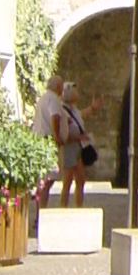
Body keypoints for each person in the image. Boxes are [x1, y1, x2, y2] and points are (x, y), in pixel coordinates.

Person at [56, 82, 95, 207]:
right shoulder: (62, 110)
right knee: (67, 181)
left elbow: (80, 116)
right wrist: (81, 137)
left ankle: (78, 205)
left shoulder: (73, 109)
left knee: (80, 179)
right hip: (69, 149)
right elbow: (64, 134)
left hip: (78, 149)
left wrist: (92, 108)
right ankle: (63, 206)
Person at [32, 73, 65, 209]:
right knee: (48, 179)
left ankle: (40, 210)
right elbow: (54, 118)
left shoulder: (43, 98)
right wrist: (57, 136)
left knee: (45, 179)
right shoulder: (53, 99)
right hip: (47, 139)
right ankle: (42, 210)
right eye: (61, 87)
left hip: (38, 139)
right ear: (58, 87)